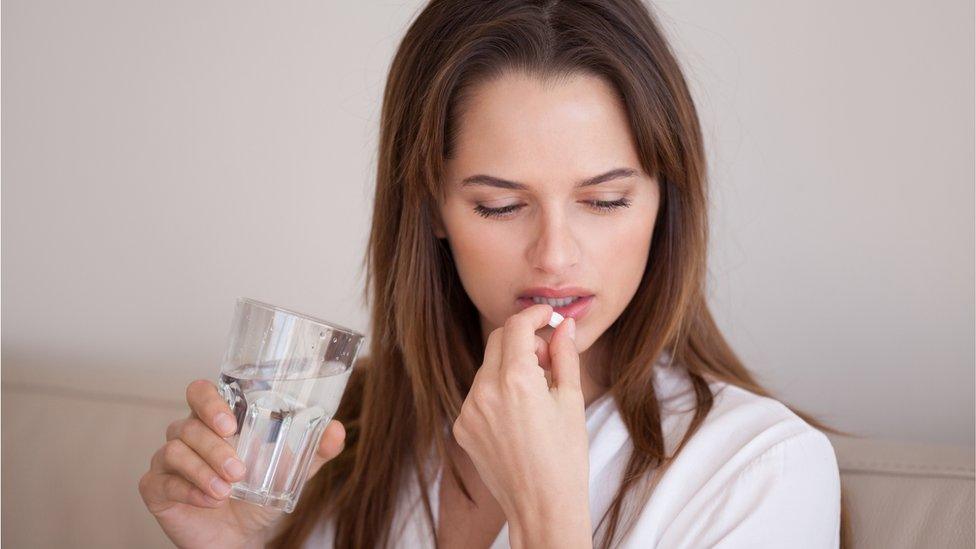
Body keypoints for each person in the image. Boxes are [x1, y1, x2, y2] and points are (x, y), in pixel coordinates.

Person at [139, 1, 851, 547]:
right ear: (434, 206)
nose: (555, 255)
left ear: (666, 201)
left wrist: (548, 515)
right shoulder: (346, 436)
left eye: (604, 200)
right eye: (501, 204)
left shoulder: (762, 468)